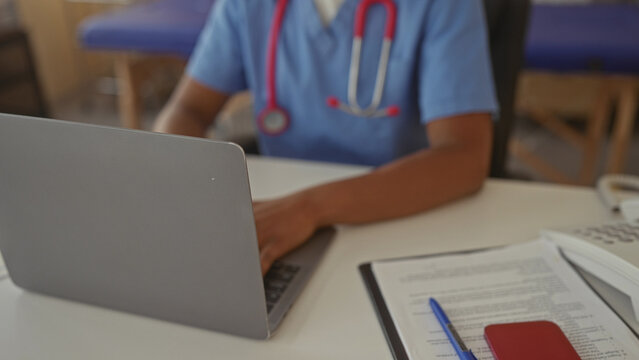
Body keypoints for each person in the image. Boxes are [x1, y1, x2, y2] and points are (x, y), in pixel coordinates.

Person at [154, 0, 498, 274]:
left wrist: (310, 209)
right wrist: (193, 191)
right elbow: (187, 110)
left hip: (402, 222)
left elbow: (464, 157)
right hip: (283, 217)